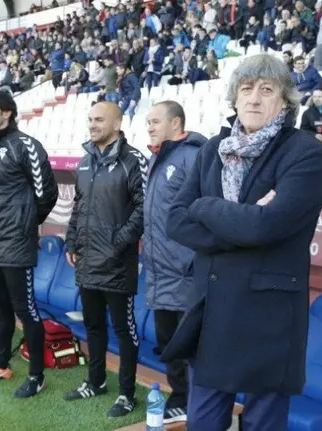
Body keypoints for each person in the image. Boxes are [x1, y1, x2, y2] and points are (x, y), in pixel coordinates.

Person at [164, 54, 322, 430]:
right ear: (234, 98)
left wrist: (204, 207)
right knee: (203, 422)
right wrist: (240, 219)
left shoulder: (305, 152)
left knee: (263, 424)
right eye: (246, 88)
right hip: (212, 307)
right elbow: (176, 220)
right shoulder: (211, 150)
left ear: (284, 102)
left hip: (268, 317)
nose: (254, 98)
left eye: (267, 90)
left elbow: (265, 227)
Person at [0, 91, 59, 400]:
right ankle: (0, 366)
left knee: (26, 309)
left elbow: (46, 193)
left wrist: (24, 224)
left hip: (16, 243)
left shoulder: (26, 146)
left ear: (7, 113)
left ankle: (36, 376)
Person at [63, 102, 147, 419]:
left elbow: (144, 207)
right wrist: (71, 240)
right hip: (87, 261)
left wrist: (118, 242)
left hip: (116, 262)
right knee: (94, 326)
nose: (93, 124)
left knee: (124, 330)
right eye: (90, 119)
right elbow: (79, 207)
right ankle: (95, 382)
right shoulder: (85, 162)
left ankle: (127, 394)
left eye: (100, 119)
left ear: (117, 122)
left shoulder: (132, 159)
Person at [143, 101, 206, 424]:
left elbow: (203, 212)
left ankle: (191, 402)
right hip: (159, 271)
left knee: (188, 345)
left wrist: (192, 261)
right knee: (167, 343)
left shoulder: (194, 156)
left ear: (176, 122)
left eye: (155, 121)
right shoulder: (158, 157)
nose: (149, 127)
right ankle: (178, 395)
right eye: (147, 122)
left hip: (184, 272)